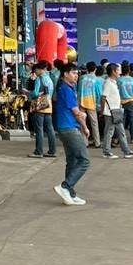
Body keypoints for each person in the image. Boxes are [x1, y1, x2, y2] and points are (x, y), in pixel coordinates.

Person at [52, 67, 91, 206]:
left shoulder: (65, 88)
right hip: (69, 129)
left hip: (65, 128)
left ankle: (70, 194)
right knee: (84, 160)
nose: (76, 75)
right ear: (65, 74)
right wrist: (85, 126)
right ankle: (65, 186)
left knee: (72, 161)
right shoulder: (66, 90)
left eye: (77, 73)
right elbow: (76, 113)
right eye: (73, 73)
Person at [98, 63, 133, 160]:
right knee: (109, 132)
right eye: (118, 70)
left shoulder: (114, 82)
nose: (119, 72)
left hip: (116, 111)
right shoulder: (108, 83)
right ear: (113, 71)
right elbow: (103, 97)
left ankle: (126, 151)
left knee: (120, 131)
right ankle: (107, 152)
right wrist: (102, 111)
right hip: (110, 112)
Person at [29, 62, 57, 158]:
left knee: (39, 129)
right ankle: (52, 151)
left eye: (35, 70)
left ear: (40, 69)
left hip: (40, 105)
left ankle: (38, 151)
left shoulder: (39, 79)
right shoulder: (49, 79)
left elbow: (35, 93)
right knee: (50, 129)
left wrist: (29, 94)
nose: (35, 73)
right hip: (48, 105)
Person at [77, 63, 101, 148]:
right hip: (91, 102)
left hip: (82, 101)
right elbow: (98, 93)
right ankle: (97, 142)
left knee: (82, 122)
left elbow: (78, 90)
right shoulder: (96, 79)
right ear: (95, 69)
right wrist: (98, 104)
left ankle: (85, 142)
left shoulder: (82, 78)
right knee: (94, 123)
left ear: (87, 69)